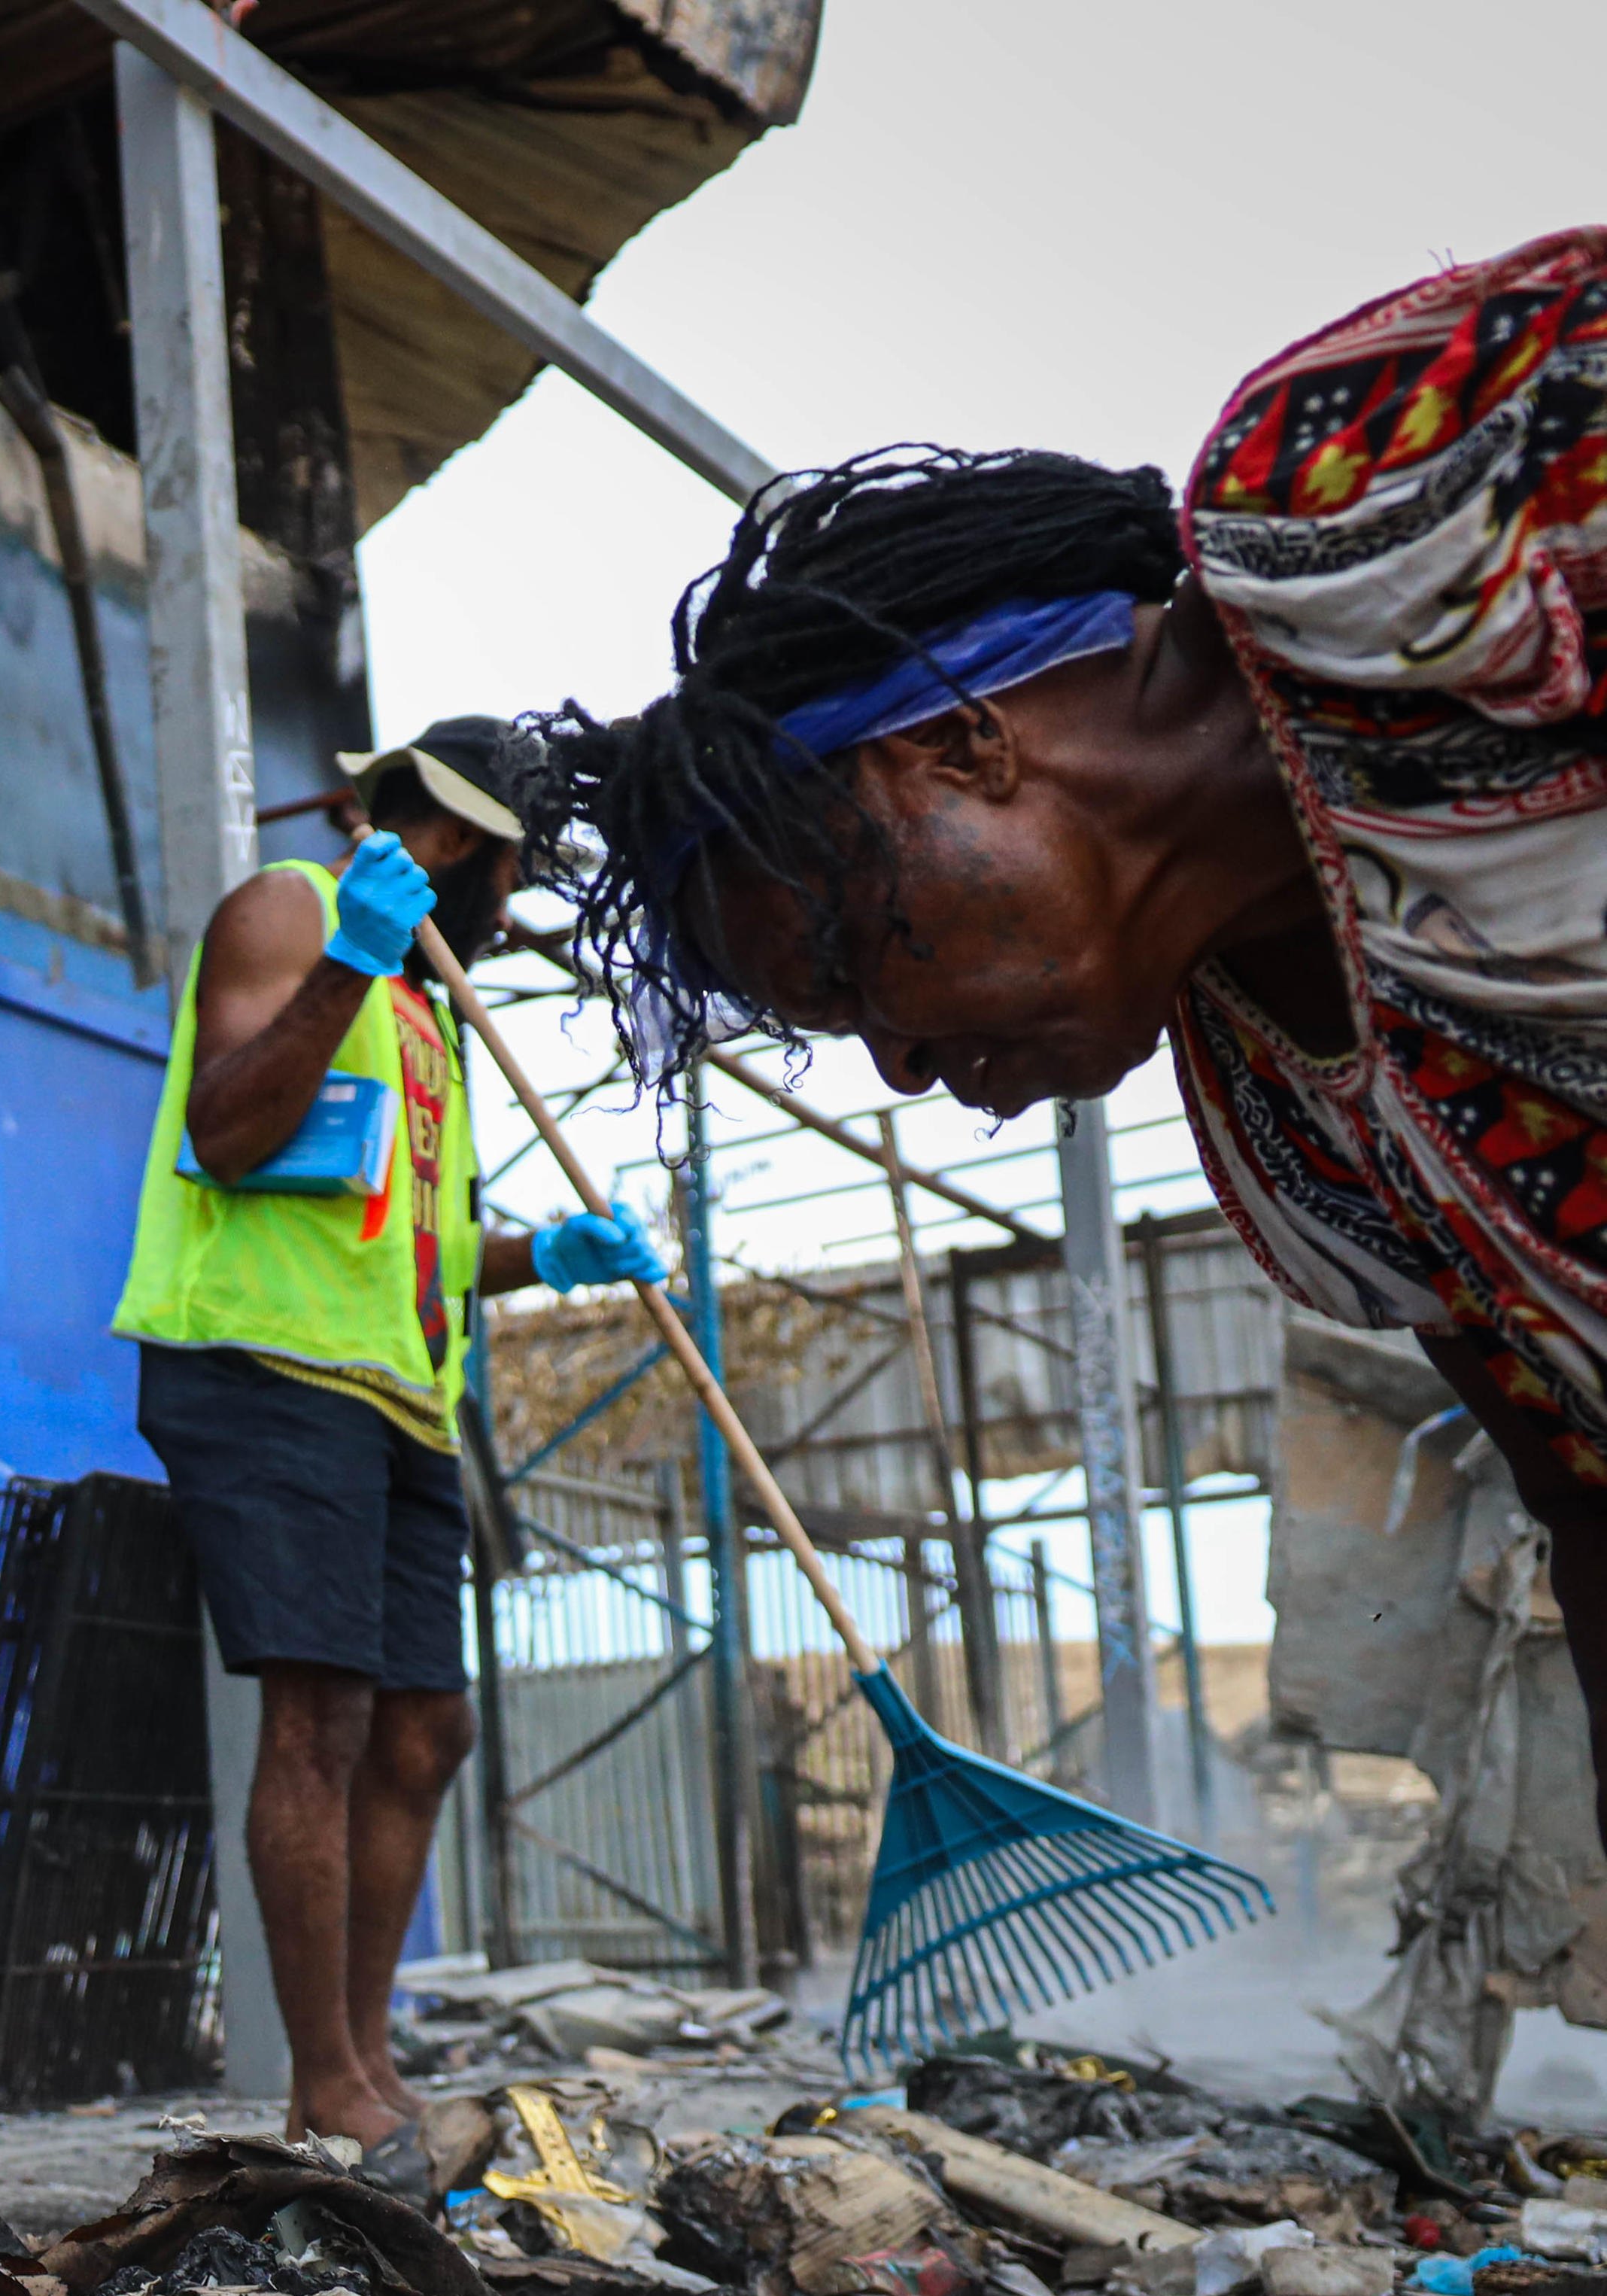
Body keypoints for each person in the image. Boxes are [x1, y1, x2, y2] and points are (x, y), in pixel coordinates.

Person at [509, 231, 1607, 1840]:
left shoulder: (1362, 512)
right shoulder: (1301, 1136)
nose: (898, 1062)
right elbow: (1583, 1495)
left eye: (850, 951)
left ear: (959, 747)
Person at [113, 718, 668, 2155]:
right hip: (267, 1370)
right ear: (461, 847)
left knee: (426, 1728)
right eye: (511, 872)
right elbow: (230, 1128)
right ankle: (325, 2084)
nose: (511, 905)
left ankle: (367, 2056)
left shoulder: (432, 1015)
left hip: (401, 1395)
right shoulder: (291, 915)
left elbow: (398, 1231)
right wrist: (353, 958)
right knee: (322, 1720)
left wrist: (545, 1258)